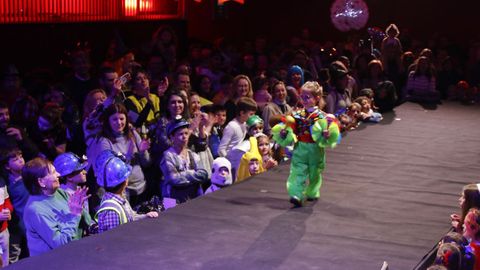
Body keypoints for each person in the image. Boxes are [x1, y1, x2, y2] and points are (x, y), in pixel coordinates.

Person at [271, 81, 341, 207]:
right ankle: (296, 194)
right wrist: (284, 133)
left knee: (315, 173)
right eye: (301, 97)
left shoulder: (323, 116)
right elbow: (289, 128)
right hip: (300, 148)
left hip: (315, 149)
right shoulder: (296, 115)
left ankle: (312, 191)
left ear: (317, 98)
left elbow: (333, 132)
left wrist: (328, 134)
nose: (304, 100)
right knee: (297, 171)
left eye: (307, 97)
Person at [22, 157, 90, 256]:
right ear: (41, 182)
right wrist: (75, 215)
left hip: (73, 252)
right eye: (53, 173)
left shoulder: (59, 192)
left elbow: (85, 223)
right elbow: (60, 244)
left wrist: (80, 208)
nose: (58, 175)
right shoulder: (35, 210)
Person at [88, 103, 151, 206]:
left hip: (140, 187)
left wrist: (143, 152)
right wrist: (129, 156)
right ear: (108, 121)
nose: (119, 122)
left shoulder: (133, 134)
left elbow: (147, 163)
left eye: (122, 119)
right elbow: (110, 171)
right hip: (122, 192)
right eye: (114, 119)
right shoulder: (104, 141)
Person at [94, 150, 158, 233]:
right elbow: (113, 240)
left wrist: (144, 216)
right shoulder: (112, 211)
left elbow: (130, 217)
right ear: (125, 182)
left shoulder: (120, 198)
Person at [160, 118, 209, 203]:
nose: (184, 137)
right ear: (172, 137)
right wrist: (193, 173)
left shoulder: (192, 154)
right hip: (174, 199)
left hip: (194, 196)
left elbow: (204, 174)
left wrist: (182, 175)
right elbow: (173, 179)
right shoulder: (168, 156)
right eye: (180, 134)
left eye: (186, 133)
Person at [0, 148, 29, 263]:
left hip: (28, 219)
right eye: (15, 159)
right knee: (13, 252)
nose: (21, 160)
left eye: (21, 157)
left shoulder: (29, 176)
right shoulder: (7, 182)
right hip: (15, 223)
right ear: (7, 166)